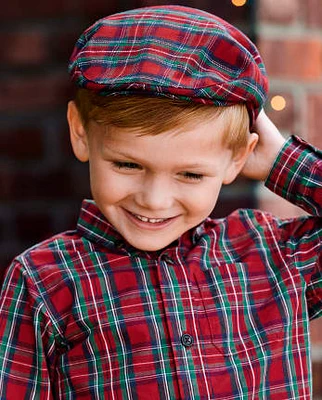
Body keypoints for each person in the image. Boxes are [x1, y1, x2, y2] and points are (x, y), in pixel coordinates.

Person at [0, 5, 320, 399]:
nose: (154, 200)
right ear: (81, 132)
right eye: (127, 164)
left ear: (238, 158)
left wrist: (281, 160)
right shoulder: (42, 282)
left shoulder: (274, 256)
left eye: (190, 174)